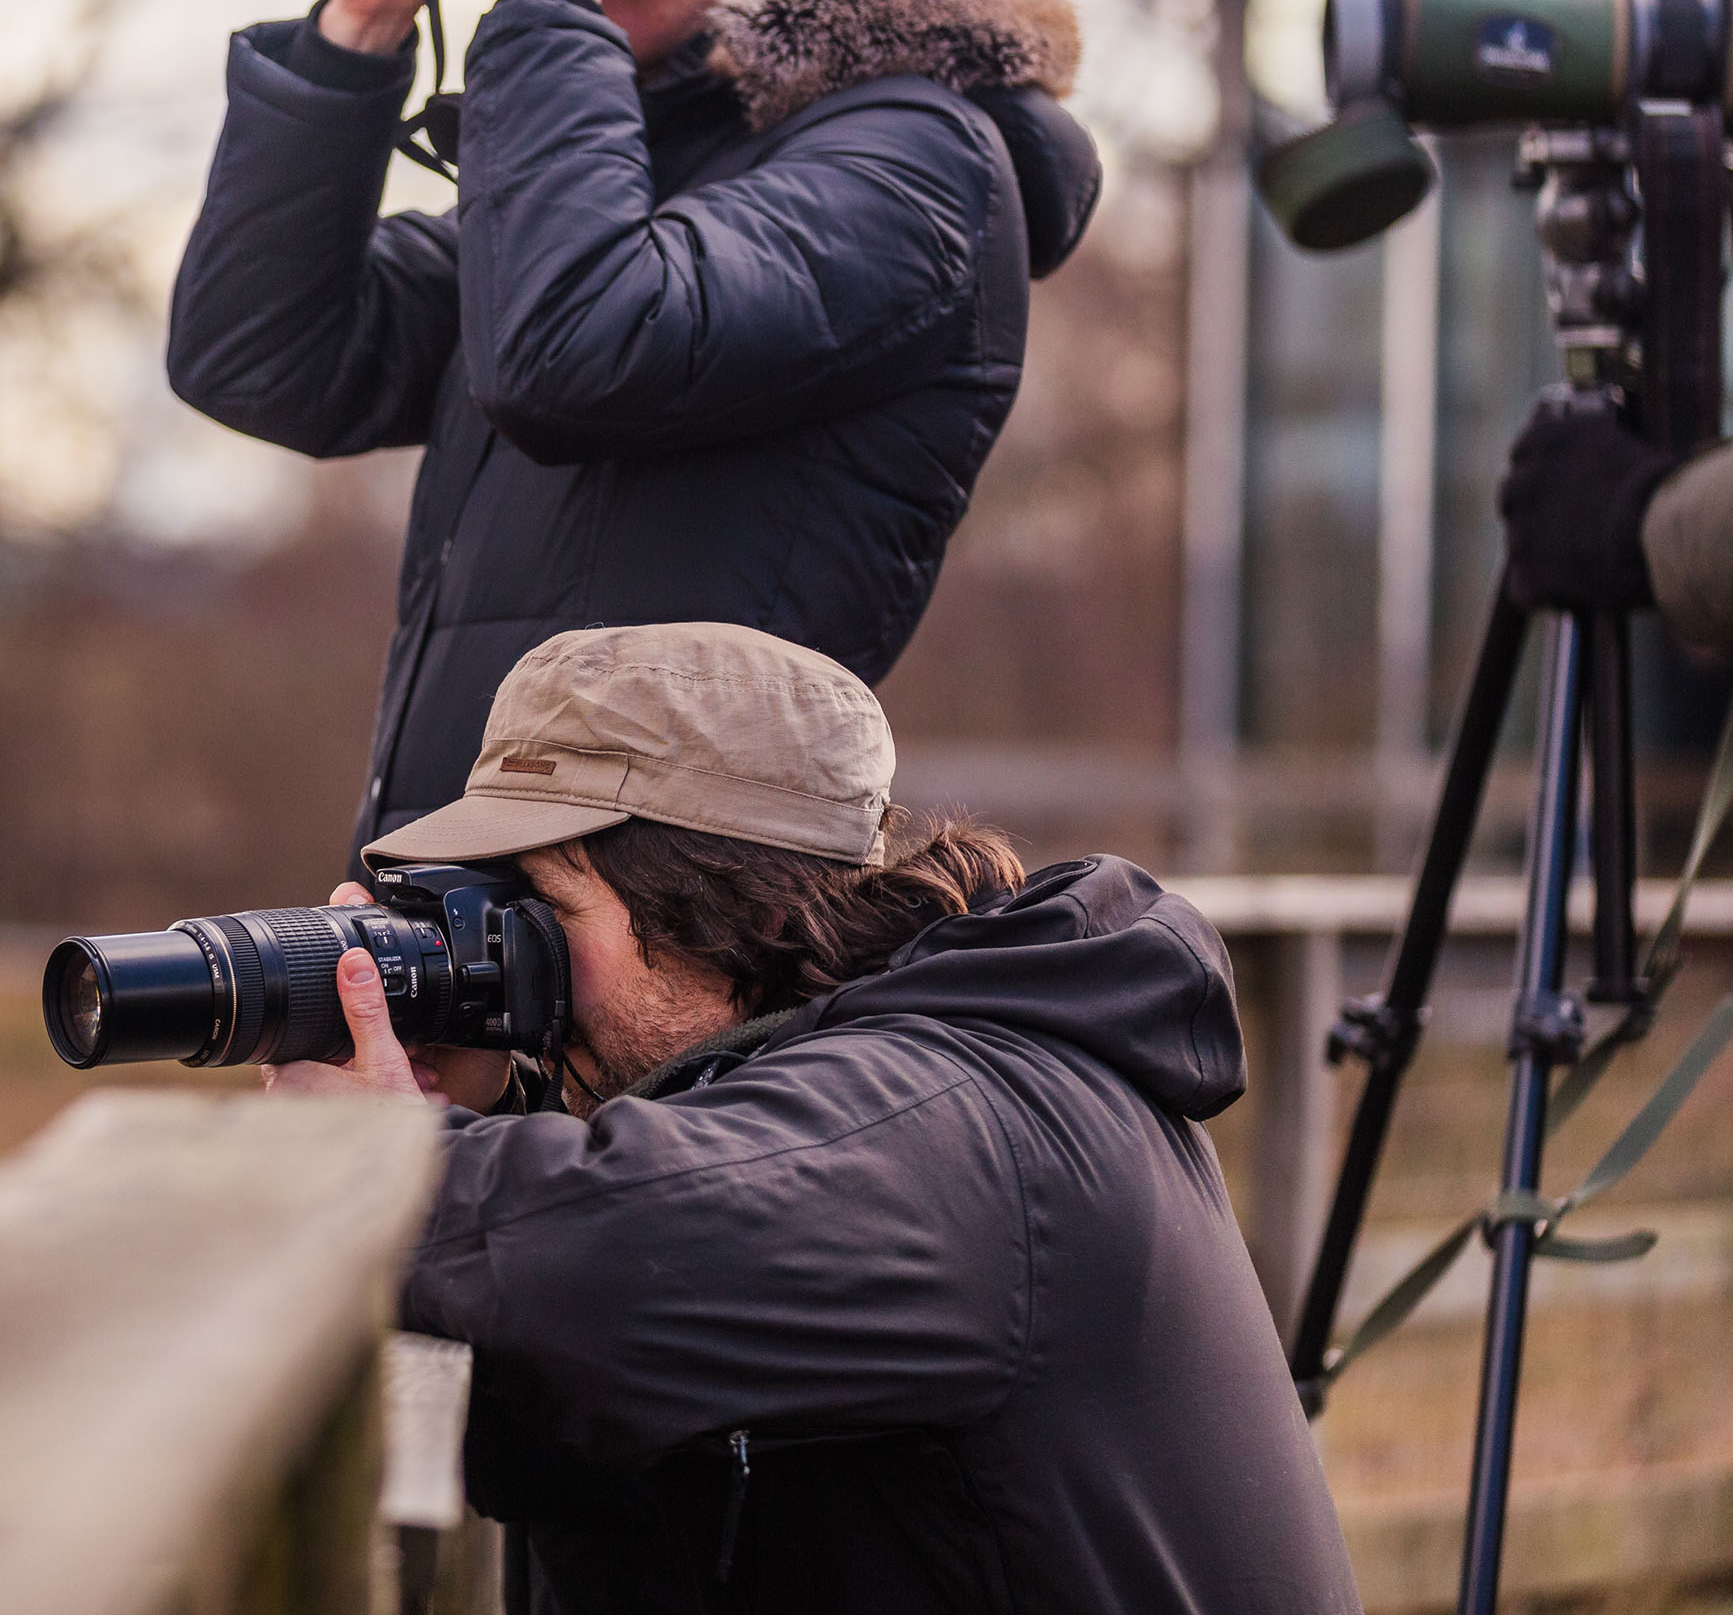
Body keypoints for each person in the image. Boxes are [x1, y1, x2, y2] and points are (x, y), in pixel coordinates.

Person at [168, 0, 1102, 858]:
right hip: (469, 910)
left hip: (673, 951)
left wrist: (549, 7)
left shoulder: (916, 168)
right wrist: (367, 23)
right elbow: (261, 354)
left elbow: (572, 353)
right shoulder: (618, 165)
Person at [272, 621, 1360, 1614]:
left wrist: (378, 1165)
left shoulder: (970, 1117)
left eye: (546, 917)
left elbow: (617, 1254)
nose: (520, 972)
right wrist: (462, 1095)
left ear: (725, 906)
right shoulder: (817, 1108)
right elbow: (577, 1428)